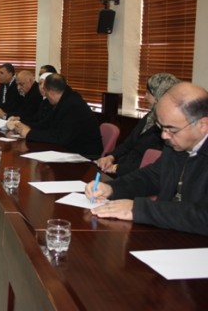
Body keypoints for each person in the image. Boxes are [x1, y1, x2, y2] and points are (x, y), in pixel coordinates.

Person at [85, 82, 208, 236]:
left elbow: (203, 216)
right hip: (169, 233)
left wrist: (138, 209)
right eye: (161, 127)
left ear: (203, 124)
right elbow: (153, 176)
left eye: (171, 129)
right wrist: (112, 188)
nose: (164, 136)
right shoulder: (176, 144)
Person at [95, 73, 180, 177]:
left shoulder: (167, 128)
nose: (145, 96)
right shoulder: (149, 116)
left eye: (148, 93)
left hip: (135, 176)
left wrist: (116, 168)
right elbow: (128, 143)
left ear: (159, 96)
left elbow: (149, 162)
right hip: (120, 168)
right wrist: (111, 157)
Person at [14, 74, 103, 158]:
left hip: (84, 155)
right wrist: (22, 125)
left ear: (51, 93)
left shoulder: (73, 105)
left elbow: (60, 138)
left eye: (46, 93)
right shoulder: (63, 100)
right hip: (68, 149)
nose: (46, 97)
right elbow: (45, 124)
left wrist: (29, 133)